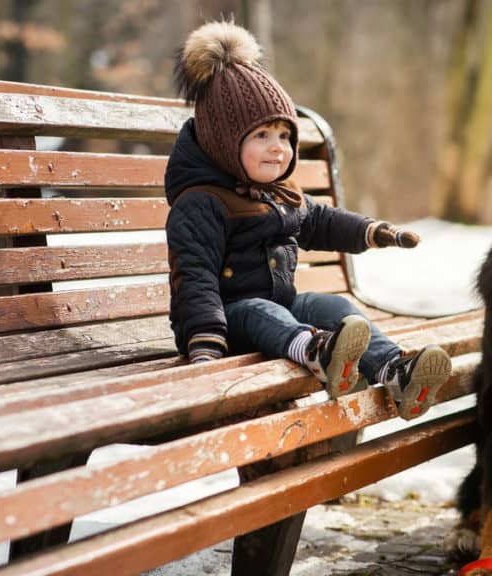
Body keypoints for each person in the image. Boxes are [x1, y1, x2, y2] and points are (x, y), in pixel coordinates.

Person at [165, 20, 451, 420]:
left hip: (281, 307)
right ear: (224, 142)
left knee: (331, 305)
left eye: (285, 136)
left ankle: (394, 369)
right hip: (223, 322)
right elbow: (194, 275)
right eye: (262, 135)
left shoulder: (277, 194)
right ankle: (318, 352)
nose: (278, 149)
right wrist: (204, 343)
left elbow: (320, 220)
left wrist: (373, 231)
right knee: (263, 312)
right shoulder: (201, 202)